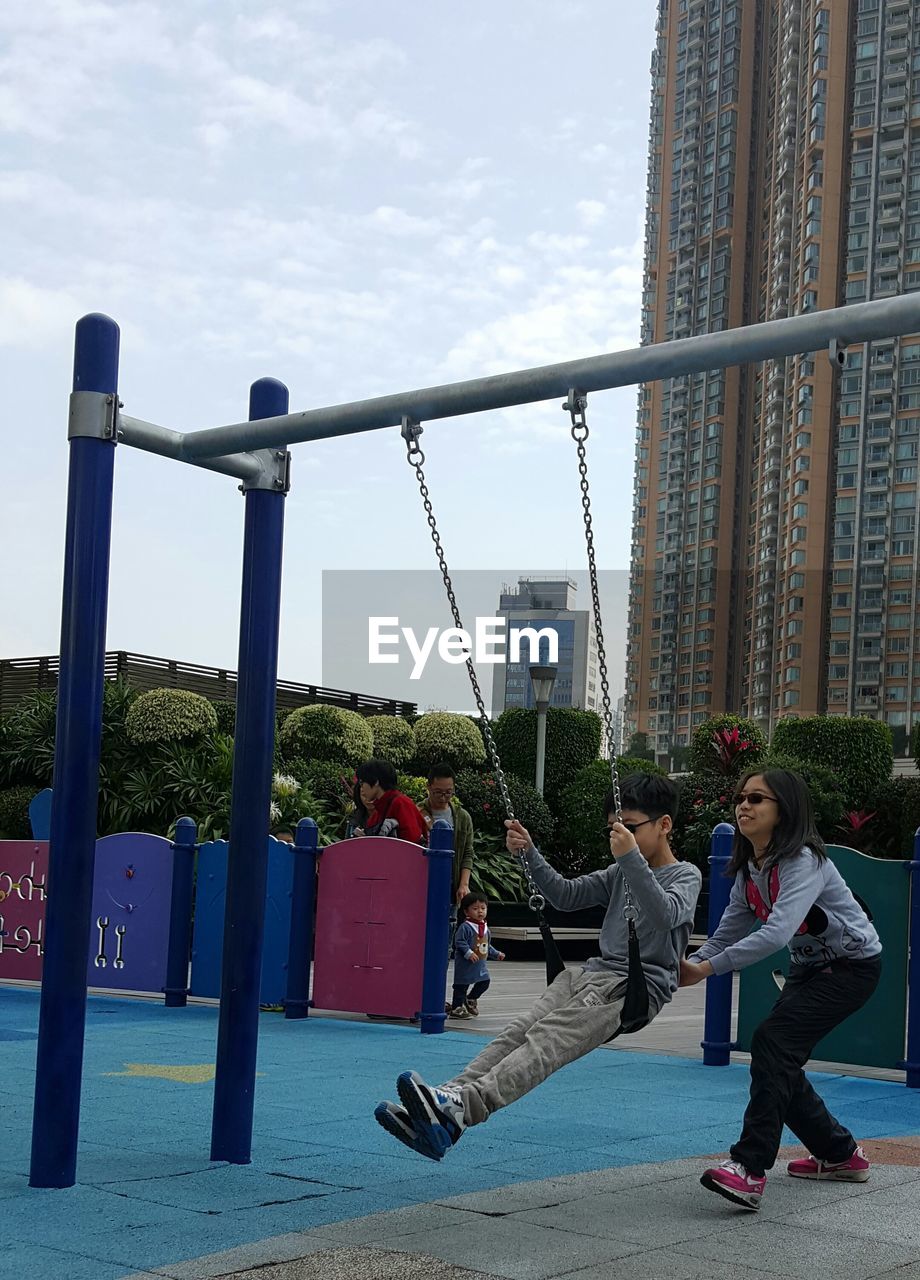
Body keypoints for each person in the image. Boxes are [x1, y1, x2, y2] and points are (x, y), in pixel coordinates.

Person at [373, 773, 701, 1160]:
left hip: (630, 990)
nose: (619, 838)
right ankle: (443, 1107)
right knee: (516, 1033)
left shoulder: (685, 875)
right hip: (587, 975)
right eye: (614, 830)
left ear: (664, 825)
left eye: (629, 828)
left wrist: (629, 858)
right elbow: (564, 895)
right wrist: (529, 852)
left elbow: (665, 915)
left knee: (546, 1040)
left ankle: (464, 1108)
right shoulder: (618, 872)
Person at [680, 768, 882, 1211]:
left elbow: (774, 934)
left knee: (772, 1044)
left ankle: (749, 1170)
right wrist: (693, 964)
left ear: (784, 811)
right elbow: (727, 930)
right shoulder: (750, 869)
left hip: (852, 968)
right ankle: (840, 1154)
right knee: (778, 1058)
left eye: (757, 799)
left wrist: (709, 967)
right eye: (742, 797)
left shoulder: (804, 861)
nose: (744, 806)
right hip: (810, 969)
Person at [418, 764, 475, 904]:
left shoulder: (463, 817)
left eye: (448, 792)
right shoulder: (417, 812)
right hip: (421, 884)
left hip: (450, 887)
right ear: (428, 787)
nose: (443, 798)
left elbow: (468, 853)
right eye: (438, 792)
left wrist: (464, 884)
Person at [447, 892, 504, 1019]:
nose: (480, 911)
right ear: (466, 912)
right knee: (461, 986)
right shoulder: (465, 927)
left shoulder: (485, 928)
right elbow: (459, 942)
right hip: (465, 965)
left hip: (480, 965)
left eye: (483, 908)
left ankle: (471, 998)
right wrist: (468, 953)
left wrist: (496, 954)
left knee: (485, 982)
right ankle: (457, 1008)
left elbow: (486, 945)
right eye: (475, 908)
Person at [354, 759, 427, 843]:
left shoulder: (401, 803)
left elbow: (411, 845)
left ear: (376, 782)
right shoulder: (380, 807)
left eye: (362, 783)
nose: (361, 789)